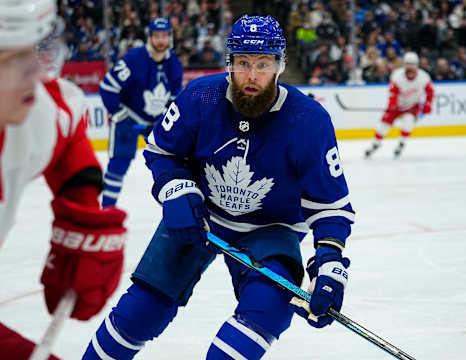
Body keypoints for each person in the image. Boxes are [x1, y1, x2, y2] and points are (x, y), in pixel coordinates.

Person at [83, 15, 355, 360]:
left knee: (267, 309)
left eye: (263, 63)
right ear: (229, 63)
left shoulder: (309, 121)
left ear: (279, 65)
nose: (252, 75)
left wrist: (330, 263)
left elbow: (331, 206)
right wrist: (175, 187)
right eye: (243, 63)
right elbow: (161, 150)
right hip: (200, 216)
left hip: (271, 229)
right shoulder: (201, 96)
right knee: (139, 312)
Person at [0, 0, 127, 359]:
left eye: (33, 52)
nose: (34, 74)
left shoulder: (29, 111)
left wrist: (81, 204)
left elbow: (64, 124)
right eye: (11, 59)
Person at [99, 17, 183, 207]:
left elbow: (173, 99)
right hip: (128, 119)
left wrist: (164, 120)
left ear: (170, 38)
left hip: (156, 124)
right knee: (117, 167)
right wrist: (118, 112)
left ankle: (177, 210)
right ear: (149, 37)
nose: (161, 41)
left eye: (164, 36)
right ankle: (106, 211)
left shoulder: (174, 64)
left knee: (169, 167)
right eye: (157, 36)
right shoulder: (134, 58)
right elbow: (107, 87)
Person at [365, 51, 434, 158]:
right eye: (407, 64)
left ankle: (401, 143)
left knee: (408, 122)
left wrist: (428, 104)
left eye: (412, 64)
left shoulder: (424, 77)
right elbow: (393, 93)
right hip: (397, 105)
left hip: (412, 106)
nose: (410, 67)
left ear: (416, 65)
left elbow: (430, 92)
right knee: (383, 125)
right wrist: (392, 105)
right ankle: (375, 144)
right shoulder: (397, 75)